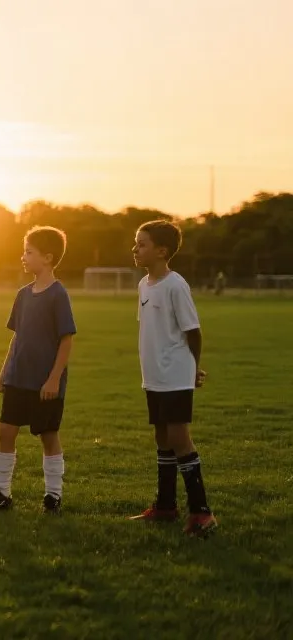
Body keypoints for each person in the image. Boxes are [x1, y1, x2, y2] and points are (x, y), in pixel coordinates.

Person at [0, 226, 76, 514]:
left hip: (45, 383)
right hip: (18, 378)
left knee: (48, 435)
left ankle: (53, 496)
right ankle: (0, 493)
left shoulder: (58, 294)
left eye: (29, 252)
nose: (23, 257)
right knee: (5, 430)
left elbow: (66, 339)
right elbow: (17, 336)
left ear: (48, 258)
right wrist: (5, 371)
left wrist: (54, 378)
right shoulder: (23, 294)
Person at [129, 220, 217, 537]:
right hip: (154, 375)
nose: (135, 249)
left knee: (180, 438)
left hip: (175, 373)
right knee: (162, 438)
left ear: (161, 251)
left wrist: (193, 368)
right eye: (136, 243)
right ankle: (165, 507)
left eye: (142, 244)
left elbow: (193, 331)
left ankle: (202, 513)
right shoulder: (144, 285)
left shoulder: (175, 285)